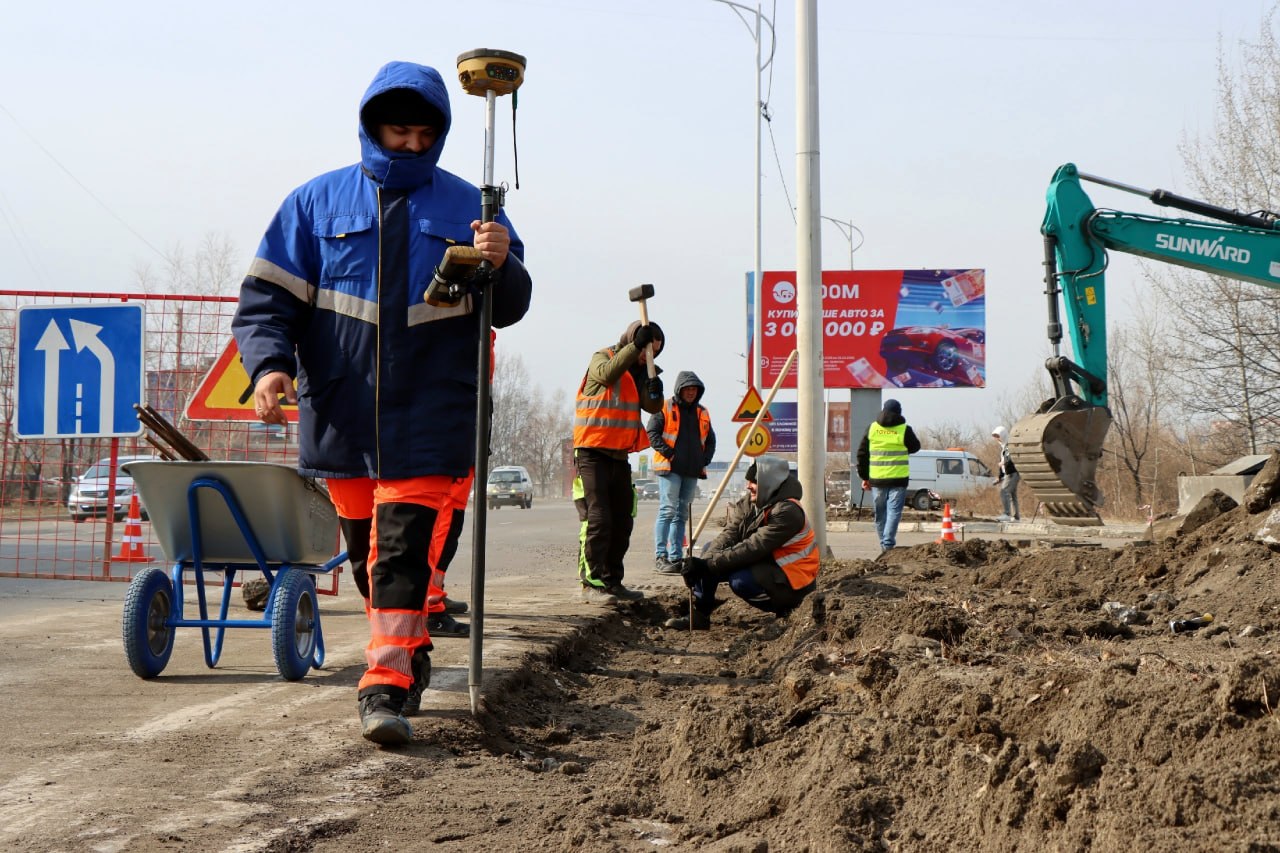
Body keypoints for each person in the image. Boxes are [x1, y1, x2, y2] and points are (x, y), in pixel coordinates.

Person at [232, 61, 532, 746]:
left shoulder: (471, 208)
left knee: (399, 556)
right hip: (342, 417)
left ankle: (383, 688)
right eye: (399, 131)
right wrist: (270, 368)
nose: (412, 145)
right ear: (373, 126)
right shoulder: (313, 204)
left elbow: (510, 306)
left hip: (430, 415)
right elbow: (265, 301)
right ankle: (412, 652)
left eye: (425, 134)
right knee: (372, 563)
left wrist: (502, 257)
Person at [573, 320, 665, 604]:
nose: (645, 356)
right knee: (599, 517)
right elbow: (606, 375)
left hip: (619, 455)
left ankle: (613, 581)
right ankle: (592, 583)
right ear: (633, 340)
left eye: (652, 352)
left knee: (623, 520)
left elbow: (652, 407)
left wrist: (654, 388)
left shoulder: (639, 372)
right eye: (645, 349)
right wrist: (636, 345)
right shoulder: (603, 358)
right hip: (592, 452)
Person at [673, 456, 819, 629]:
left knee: (740, 581)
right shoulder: (750, 502)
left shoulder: (787, 511)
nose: (748, 486)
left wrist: (707, 566)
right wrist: (703, 563)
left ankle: (787, 611)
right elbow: (729, 535)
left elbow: (753, 547)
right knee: (708, 550)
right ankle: (700, 614)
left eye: (754, 482)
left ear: (769, 483)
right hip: (768, 564)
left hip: (794, 583)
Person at [647, 371, 716, 573]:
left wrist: (704, 459)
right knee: (667, 511)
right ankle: (661, 556)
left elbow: (711, 440)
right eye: (688, 389)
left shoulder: (702, 412)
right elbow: (652, 433)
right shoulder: (665, 406)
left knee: (681, 514)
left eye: (694, 389)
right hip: (670, 469)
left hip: (691, 470)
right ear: (680, 389)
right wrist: (669, 452)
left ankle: (676, 558)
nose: (691, 393)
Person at [856, 398, 921, 555]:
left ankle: (884, 546)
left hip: (877, 480)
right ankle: (887, 544)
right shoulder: (904, 429)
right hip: (898, 479)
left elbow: (862, 454)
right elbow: (915, 447)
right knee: (893, 512)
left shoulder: (872, 429)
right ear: (899, 413)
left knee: (880, 514)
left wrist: (864, 477)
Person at [991, 425, 1021, 521]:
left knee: (1004, 491)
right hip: (1009, 473)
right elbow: (1003, 465)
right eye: (995, 436)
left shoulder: (1009, 445)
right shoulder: (1003, 447)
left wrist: (1004, 462)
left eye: (998, 436)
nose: (997, 439)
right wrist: (999, 477)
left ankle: (1007, 514)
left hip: (1013, 473)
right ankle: (1016, 517)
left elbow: (1010, 458)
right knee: (1012, 495)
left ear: (1003, 435)